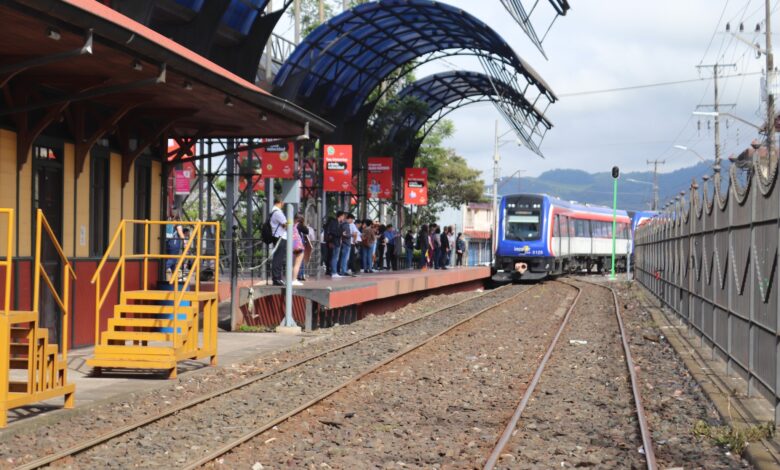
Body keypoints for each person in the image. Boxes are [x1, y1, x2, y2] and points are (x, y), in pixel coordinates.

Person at [269, 199, 287, 286]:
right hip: (280, 237)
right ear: (280, 202)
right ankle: (276, 278)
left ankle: (277, 277)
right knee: (278, 258)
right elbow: (285, 224)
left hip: (277, 236)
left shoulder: (273, 212)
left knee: (278, 257)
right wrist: (291, 222)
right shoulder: (278, 212)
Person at [165, 214, 185, 281]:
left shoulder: (169, 224)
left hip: (169, 243)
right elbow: (180, 233)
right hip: (175, 244)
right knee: (172, 260)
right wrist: (185, 240)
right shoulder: (178, 224)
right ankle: (164, 268)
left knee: (173, 261)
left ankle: (173, 278)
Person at [327, 211, 346, 277]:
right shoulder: (334, 222)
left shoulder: (338, 223)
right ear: (340, 216)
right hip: (335, 242)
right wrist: (341, 233)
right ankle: (334, 272)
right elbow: (333, 231)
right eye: (343, 216)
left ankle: (334, 271)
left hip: (337, 241)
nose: (344, 217)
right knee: (335, 257)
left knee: (335, 257)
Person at [291, 214, 306, 286]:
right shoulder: (299, 225)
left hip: (292, 246)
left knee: (293, 263)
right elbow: (307, 231)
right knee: (297, 264)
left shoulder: (291, 225)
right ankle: (294, 279)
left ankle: (291, 278)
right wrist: (303, 224)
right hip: (298, 246)